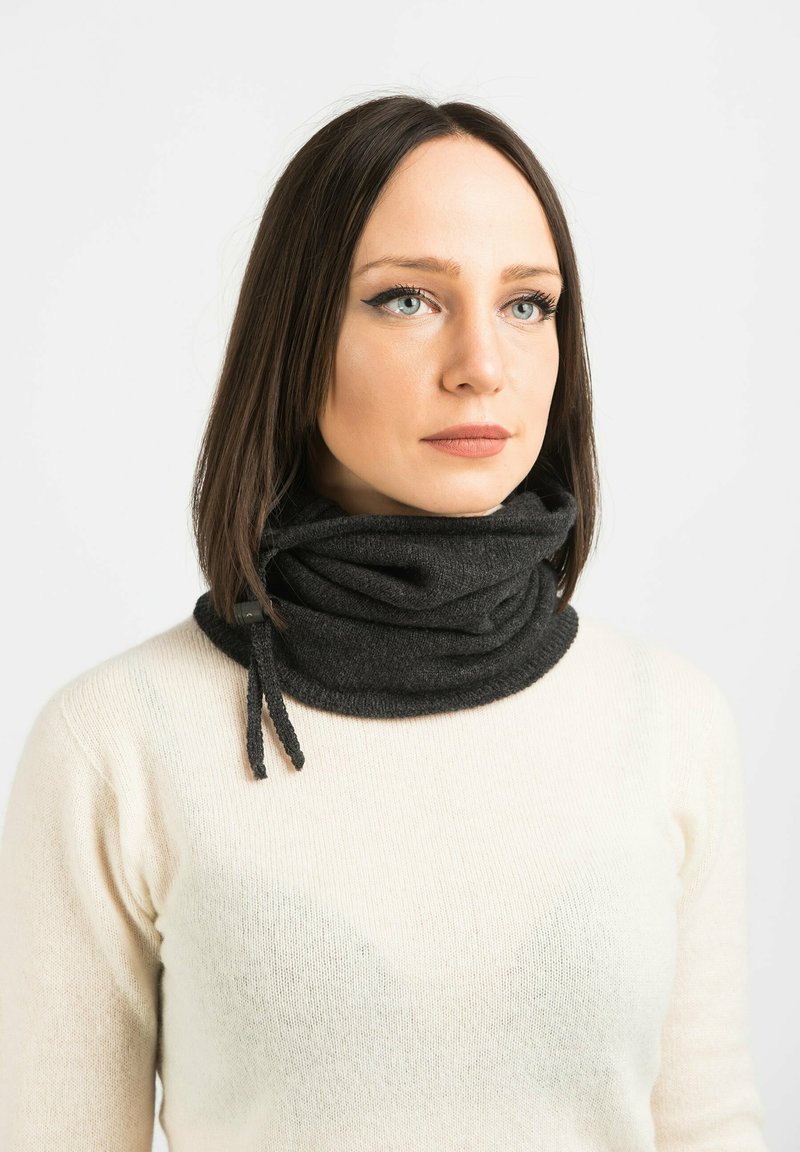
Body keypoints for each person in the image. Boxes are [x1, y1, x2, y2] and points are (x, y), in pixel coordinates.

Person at [0, 93, 770, 1150]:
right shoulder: (115, 742)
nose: (481, 365)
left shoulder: (669, 720)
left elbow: (710, 1127)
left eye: (527, 304)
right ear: (295, 331)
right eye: (407, 299)